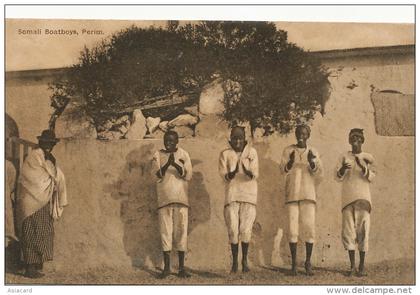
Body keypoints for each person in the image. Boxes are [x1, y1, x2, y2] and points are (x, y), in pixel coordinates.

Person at [16, 129, 68, 278]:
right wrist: (51, 178)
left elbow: (55, 174)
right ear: (41, 142)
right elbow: (30, 177)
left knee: (43, 231)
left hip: (44, 201)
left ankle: (37, 265)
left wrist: (54, 179)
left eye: (51, 144)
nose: (48, 146)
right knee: (31, 232)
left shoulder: (50, 157)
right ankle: (29, 268)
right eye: (46, 143)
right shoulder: (33, 156)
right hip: (31, 201)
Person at [280, 124, 323, 276]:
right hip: (292, 195)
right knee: (292, 229)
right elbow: (282, 170)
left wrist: (312, 162)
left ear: (308, 135)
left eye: (304, 133)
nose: (301, 136)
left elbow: (319, 174)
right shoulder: (288, 150)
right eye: (298, 133)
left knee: (309, 228)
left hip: (308, 195)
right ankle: (293, 264)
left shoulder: (314, 151)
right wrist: (290, 162)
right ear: (295, 134)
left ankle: (308, 262)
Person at [152, 130, 193, 278]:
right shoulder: (158, 155)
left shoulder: (184, 154)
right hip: (164, 200)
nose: (168, 143)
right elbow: (155, 174)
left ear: (177, 141)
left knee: (181, 232)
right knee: (166, 232)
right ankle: (167, 268)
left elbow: (188, 175)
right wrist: (166, 164)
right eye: (166, 140)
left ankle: (181, 268)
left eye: (171, 141)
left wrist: (174, 164)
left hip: (181, 200)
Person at [335, 128, 375, 277]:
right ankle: (352, 267)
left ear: (362, 141)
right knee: (348, 232)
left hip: (363, 199)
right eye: (353, 139)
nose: (355, 141)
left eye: (358, 139)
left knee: (363, 231)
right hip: (347, 199)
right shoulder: (344, 156)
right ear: (349, 140)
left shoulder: (368, 157)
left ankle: (362, 267)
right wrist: (343, 169)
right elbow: (337, 176)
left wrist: (362, 165)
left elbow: (372, 176)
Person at [219, 126, 259, 273]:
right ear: (230, 140)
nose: (237, 141)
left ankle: (244, 260)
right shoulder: (225, 154)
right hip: (232, 196)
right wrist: (233, 172)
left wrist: (246, 170)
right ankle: (235, 261)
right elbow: (223, 175)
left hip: (249, 196)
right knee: (233, 230)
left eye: (240, 138)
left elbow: (255, 174)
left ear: (245, 139)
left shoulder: (252, 152)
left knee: (245, 230)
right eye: (234, 138)